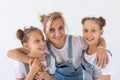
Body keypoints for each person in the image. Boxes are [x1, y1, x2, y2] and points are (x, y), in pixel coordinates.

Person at [7, 12, 108, 79]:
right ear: (45, 32)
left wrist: (102, 47)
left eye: (61, 28)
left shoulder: (76, 41)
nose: (58, 34)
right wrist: (32, 61)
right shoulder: (43, 46)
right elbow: (11, 53)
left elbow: (95, 39)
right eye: (52, 30)